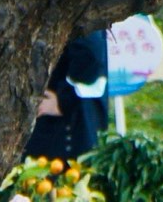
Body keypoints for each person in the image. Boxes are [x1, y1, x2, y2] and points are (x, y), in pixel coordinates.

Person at [25, 27, 111, 162]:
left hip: (64, 129)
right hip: (59, 127)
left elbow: (90, 55)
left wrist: (63, 100)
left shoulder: (80, 11)